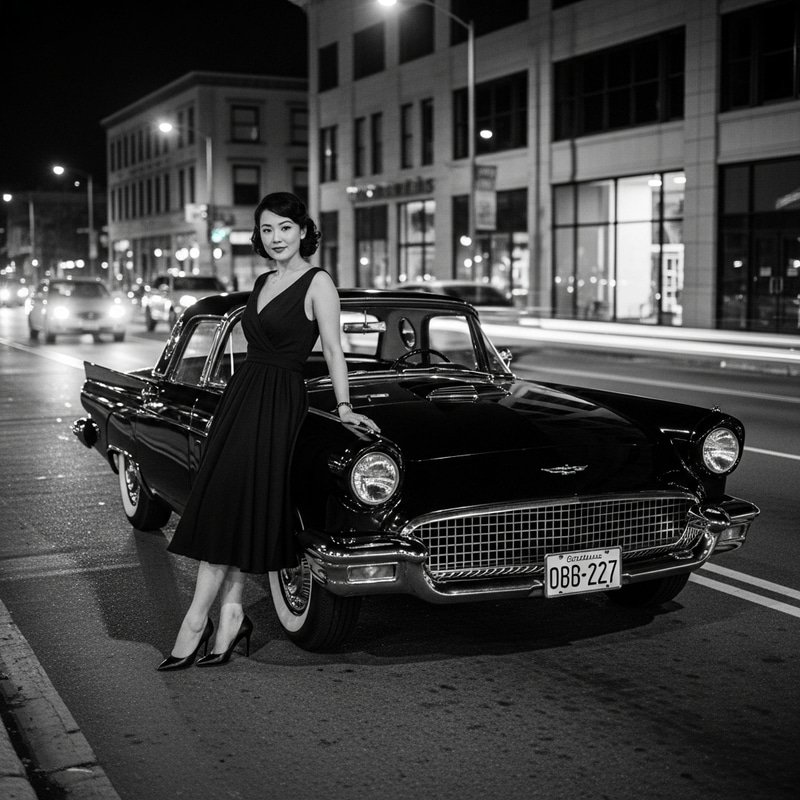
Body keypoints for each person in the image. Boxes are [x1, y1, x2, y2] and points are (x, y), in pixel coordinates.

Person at [157, 192, 379, 670]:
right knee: (228, 508)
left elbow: (335, 351)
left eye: (284, 227)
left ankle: (197, 622)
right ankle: (232, 615)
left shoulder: (318, 283)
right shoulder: (260, 281)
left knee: (246, 506)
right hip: (242, 400)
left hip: (279, 403)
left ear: (303, 231)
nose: (275, 237)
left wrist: (344, 407)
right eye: (266, 229)